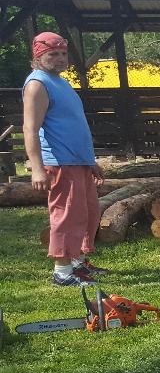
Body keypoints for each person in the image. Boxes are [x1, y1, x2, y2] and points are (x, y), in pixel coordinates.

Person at [23, 32, 109, 287]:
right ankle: (62, 271)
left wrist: (89, 160)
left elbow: (74, 125)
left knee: (87, 213)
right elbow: (30, 128)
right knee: (66, 215)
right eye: (53, 54)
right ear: (38, 56)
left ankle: (77, 262)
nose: (60, 59)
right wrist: (37, 168)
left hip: (78, 161)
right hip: (59, 162)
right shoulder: (37, 84)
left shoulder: (60, 81)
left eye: (63, 53)